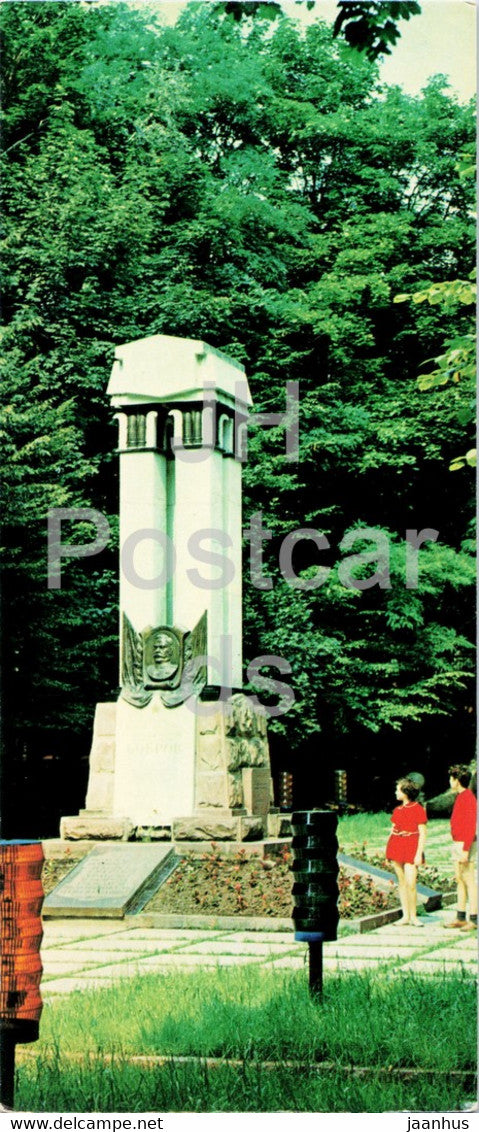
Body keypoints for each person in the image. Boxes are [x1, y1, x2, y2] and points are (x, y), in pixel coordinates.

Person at [386, 777, 427, 926]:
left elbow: (422, 833)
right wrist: (388, 852)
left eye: (398, 790)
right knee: (402, 882)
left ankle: (414, 916)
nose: (395, 792)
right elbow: (393, 831)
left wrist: (418, 854)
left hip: (411, 847)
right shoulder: (397, 810)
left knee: (411, 883)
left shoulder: (418, 809)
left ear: (405, 792)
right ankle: (405, 915)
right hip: (397, 846)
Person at [444, 764, 477, 932]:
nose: (450, 781)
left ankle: (474, 918)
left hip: (465, 843)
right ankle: (460, 916)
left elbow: (470, 826)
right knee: (459, 879)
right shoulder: (460, 796)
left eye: (451, 778)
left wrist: (465, 849)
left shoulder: (468, 798)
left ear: (457, 780)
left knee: (469, 879)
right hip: (457, 842)